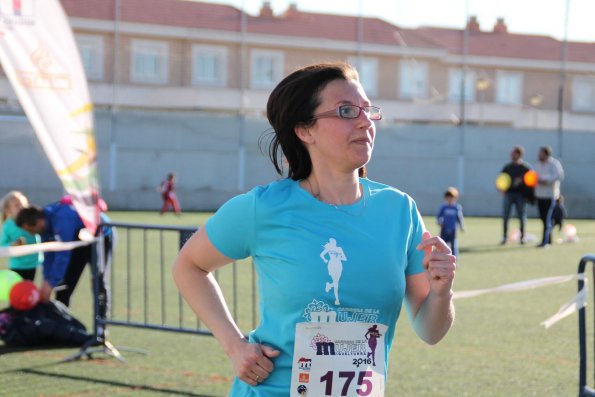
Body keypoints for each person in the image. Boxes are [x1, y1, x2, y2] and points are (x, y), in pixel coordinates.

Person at [172, 62, 456, 396]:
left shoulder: (399, 211)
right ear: (305, 130)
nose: (365, 121)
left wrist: (441, 292)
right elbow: (188, 265)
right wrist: (234, 345)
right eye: (347, 111)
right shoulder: (263, 208)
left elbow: (430, 331)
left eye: (368, 110)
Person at [15, 198, 113, 318]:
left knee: (98, 281)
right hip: (77, 241)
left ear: (39, 221)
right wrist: (47, 280)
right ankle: (60, 322)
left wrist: (50, 283)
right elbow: (49, 253)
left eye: (31, 230)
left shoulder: (61, 219)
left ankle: (101, 328)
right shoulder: (44, 225)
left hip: (100, 238)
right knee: (65, 283)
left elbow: (62, 255)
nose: (31, 234)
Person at [0, 191, 42, 281]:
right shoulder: (7, 226)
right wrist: (12, 245)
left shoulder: (32, 220)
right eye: (16, 205)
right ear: (8, 210)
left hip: (33, 264)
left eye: (22, 204)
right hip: (17, 265)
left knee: (29, 289)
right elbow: (2, 245)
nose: (20, 207)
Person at [499, 145, 532, 245]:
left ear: (519, 154)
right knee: (506, 216)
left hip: (520, 195)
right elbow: (501, 179)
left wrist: (522, 182)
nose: (512, 155)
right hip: (509, 194)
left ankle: (522, 237)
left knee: (522, 216)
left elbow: (531, 181)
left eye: (514, 153)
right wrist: (501, 188)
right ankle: (504, 237)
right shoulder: (507, 167)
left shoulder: (526, 168)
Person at [534, 146, 564, 247]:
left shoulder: (554, 163)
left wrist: (546, 179)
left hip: (550, 195)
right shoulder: (537, 164)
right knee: (543, 219)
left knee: (547, 219)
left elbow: (559, 175)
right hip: (540, 195)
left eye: (541, 153)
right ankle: (548, 240)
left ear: (546, 154)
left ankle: (546, 241)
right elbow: (534, 176)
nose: (539, 155)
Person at [436, 187, 465, 256]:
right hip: (444, 230)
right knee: (442, 245)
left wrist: (462, 226)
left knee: (453, 246)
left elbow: (459, 218)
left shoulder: (456, 207)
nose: (449, 199)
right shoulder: (443, 207)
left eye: (451, 197)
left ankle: (454, 260)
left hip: (453, 230)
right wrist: (439, 222)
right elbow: (439, 217)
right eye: (448, 197)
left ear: (455, 198)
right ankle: (441, 259)